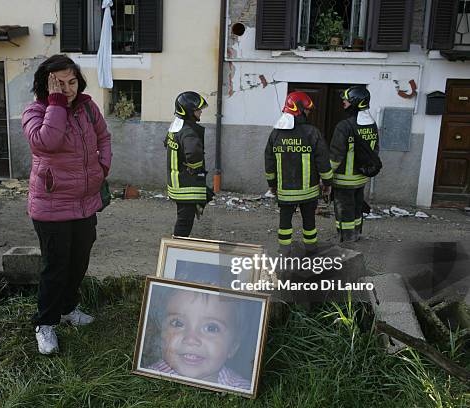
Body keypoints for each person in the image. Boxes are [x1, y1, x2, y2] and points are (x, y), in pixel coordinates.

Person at [22, 54, 112, 355]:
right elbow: (45, 142)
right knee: (55, 267)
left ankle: (68, 308)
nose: (68, 88)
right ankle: (45, 323)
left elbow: (104, 137)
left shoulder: (87, 107)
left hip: (85, 202)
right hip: (52, 206)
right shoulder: (35, 111)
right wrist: (56, 103)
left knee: (79, 261)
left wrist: (103, 167)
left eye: (72, 82)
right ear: (46, 84)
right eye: (60, 83)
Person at [264, 91, 333, 255]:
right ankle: (311, 251)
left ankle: (284, 251)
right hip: (308, 193)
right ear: (300, 109)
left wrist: (272, 185)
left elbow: (269, 163)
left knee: (285, 223)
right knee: (309, 222)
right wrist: (327, 183)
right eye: (308, 110)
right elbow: (323, 161)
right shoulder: (312, 132)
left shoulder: (276, 134)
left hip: (285, 193)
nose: (309, 113)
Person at [148, 289, 250, 389]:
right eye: (178, 323)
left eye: (211, 328)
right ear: (162, 333)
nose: (191, 339)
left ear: (233, 347)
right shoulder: (149, 377)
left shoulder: (242, 388)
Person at [329, 86, 380, 242]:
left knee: (344, 209)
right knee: (357, 206)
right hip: (361, 178)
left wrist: (325, 176)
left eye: (346, 99)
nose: (343, 102)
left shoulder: (344, 126)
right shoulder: (372, 125)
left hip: (344, 179)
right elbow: (375, 150)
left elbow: (335, 156)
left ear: (355, 102)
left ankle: (347, 237)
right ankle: (356, 233)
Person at [164, 91, 213, 237]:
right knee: (185, 221)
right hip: (186, 184)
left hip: (176, 182)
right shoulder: (188, 132)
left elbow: (166, 143)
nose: (200, 112)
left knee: (207, 194)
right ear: (189, 111)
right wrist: (196, 168)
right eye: (198, 110)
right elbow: (194, 154)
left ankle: (199, 204)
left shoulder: (175, 127)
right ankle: (177, 247)